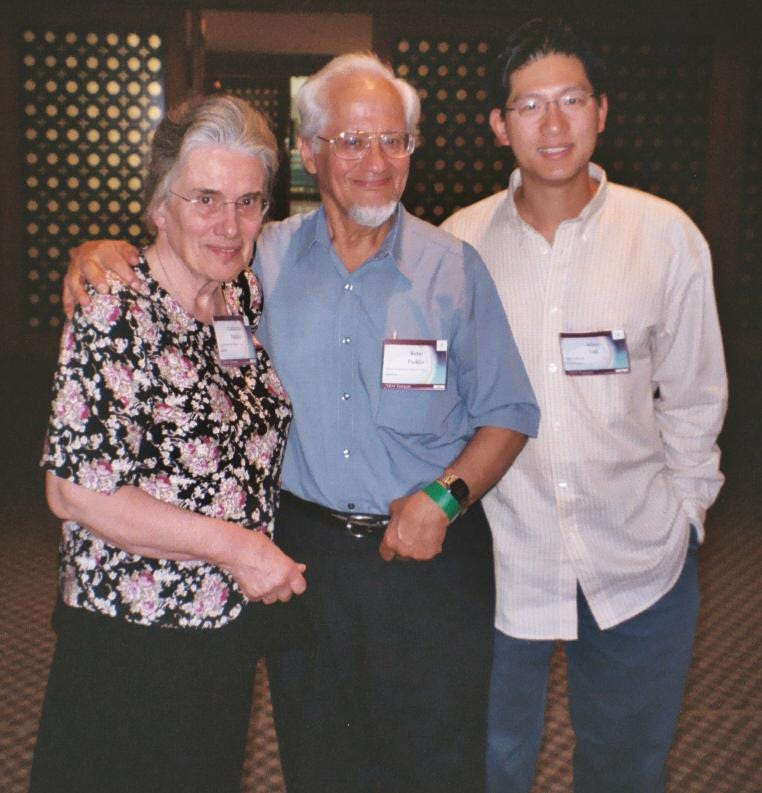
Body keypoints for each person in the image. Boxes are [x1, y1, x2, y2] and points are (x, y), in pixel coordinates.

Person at [62, 53, 540, 793]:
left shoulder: (455, 268)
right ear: (311, 153)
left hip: (429, 556)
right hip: (300, 558)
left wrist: (443, 500)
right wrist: (100, 252)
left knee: (439, 765)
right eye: (351, 141)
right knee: (318, 763)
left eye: (394, 140)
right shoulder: (258, 263)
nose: (375, 162)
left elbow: (510, 411)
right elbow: (168, 265)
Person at [441, 18, 728, 793]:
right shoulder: (458, 247)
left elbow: (696, 392)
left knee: (625, 766)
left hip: (638, 557)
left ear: (602, 110)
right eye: (530, 106)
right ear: (500, 126)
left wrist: (687, 513)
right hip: (502, 557)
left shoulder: (665, 236)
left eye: (572, 99)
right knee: (491, 760)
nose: (554, 123)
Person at [31, 95, 306, 793]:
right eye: (206, 198)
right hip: (131, 639)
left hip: (219, 630)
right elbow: (73, 490)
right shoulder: (113, 306)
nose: (229, 224)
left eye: (249, 202)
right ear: (160, 205)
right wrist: (237, 545)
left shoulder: (238, 294)